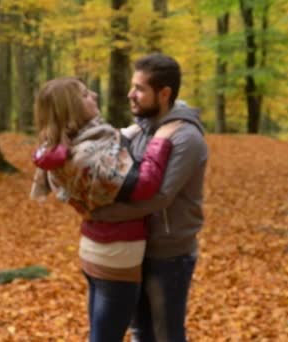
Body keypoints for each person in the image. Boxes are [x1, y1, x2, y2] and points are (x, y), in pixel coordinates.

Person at [30, 76, 183, 342]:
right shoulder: (89, 153)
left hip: (94, 249)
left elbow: (107, 150)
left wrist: (133, 132)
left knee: (101, 333)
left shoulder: (62, 146)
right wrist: (161, 141)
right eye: (85, 95)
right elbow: (144, 184)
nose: (94, 96)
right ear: (72, 109)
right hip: (117, 254)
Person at [91, 53, 208, 342]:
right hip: (135, 247)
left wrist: (105, 214)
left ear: (164, 93)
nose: (131, 94)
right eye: (133, 86)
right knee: (141, 332)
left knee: (167, 334)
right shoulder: (142, 126)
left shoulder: (186, 138)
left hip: (169, 253)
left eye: (140, 88)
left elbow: (160, 197)